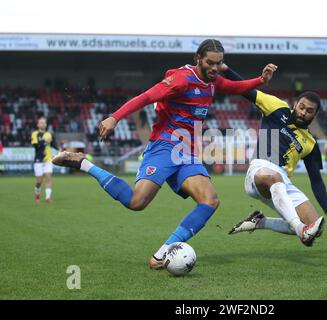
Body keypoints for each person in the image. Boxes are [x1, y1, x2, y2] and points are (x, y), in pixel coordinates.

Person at [51, 39, 278, 269]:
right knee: (136, 202)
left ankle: (162, 254)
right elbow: (146, 97)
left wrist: (260, 80)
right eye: (210, 62)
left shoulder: (212, 80)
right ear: (197, 58)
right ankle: (83, 163)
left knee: (210, 201)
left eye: (219, 64)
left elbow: (233, 87)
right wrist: (114, 117)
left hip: (187, 151)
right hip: (164, 145)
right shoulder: (181, 79)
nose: (214, 68)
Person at [223, 66, 327, 246]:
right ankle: (301, 230)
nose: (303, 112)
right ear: (295, 104)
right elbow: (246, 90)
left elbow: (316, 180)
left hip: (283, 182)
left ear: (316, 114)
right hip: (259, 171)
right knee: (275, 179)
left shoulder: (311, 143)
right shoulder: (277, 108)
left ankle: (259, 221)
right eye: (301, 107)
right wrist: (225, 69)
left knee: (315, 226)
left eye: (309, 111)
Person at [31, 117, 57, 203]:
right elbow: (36, 146)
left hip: (48, 159)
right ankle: (37, 193)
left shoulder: (49, 134)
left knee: (48, 177)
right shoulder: (35, 134)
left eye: (44, 123)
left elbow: (53, 145)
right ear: (38, 124)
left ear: (46, 124)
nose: (42, 124)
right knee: (39, 181)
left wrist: (60, 146)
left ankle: (48, 197)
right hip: (38, 160)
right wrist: (45, 142)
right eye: (41, 123)